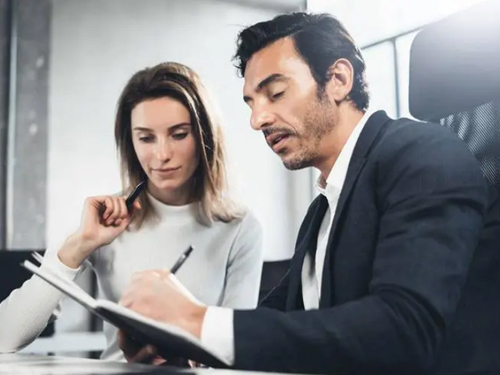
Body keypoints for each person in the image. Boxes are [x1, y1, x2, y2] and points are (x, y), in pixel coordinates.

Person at [116, 13, 500, 375]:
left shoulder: (425, 155)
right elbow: (283, 326)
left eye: (276, 93)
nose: (257, 120)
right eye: (251, 103)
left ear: (338, 79)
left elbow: (405, 329)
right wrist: (184, 343)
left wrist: (196, 321)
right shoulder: (323, 208)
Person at [0, 62, 263, 361]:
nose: (162, 155)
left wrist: (183, 361)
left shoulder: (241, 228)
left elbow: (238, 350)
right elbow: (4, 337)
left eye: (178, 134)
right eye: (146, 138)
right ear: (131, 142)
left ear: (205, 137)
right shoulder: (102, 218)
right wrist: (79, 245)